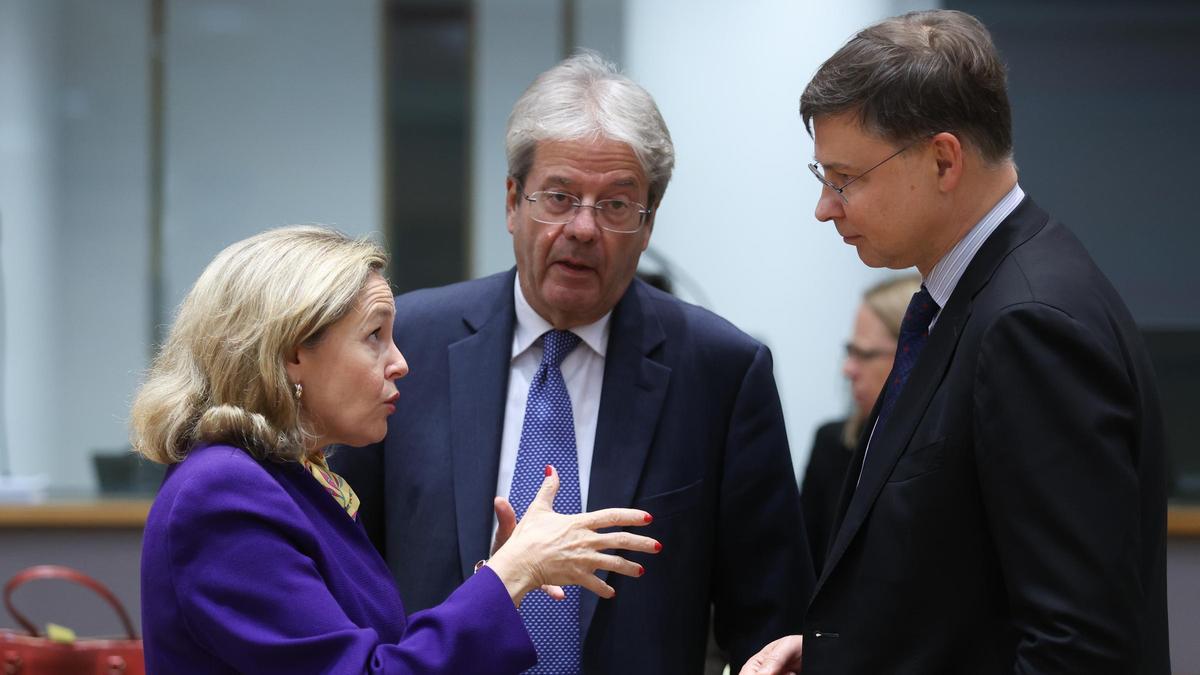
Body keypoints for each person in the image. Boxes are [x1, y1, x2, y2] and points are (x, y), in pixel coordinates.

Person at [331, 52, 812, 674]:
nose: (583, 228)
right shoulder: (408, 344)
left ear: (648, 222)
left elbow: (771, 622)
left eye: (615, 205)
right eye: (558, 197)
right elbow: (345, 566)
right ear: (512, 202)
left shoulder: (719, 369)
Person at [745, 9, 1168, 674]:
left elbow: (1077, 649)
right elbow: (958, 583)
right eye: (822, 177)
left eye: (845, 177)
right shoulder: (970, 298)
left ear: (943, 159)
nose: (825, 207)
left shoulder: (1030, 322)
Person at [132, 226, 660, 674]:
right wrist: (512, 574)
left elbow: (379, 656)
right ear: (294, 352)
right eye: (374, 336)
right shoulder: (224, 494)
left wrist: (496, 580)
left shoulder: (296, 481)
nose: (400, 362)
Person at [800, 274, 919, 574]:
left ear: (912, 356)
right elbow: (804, 569)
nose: (848, 369)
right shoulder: (831, 442)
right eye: (849, 351)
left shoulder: (943, 453)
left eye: (864, 354)